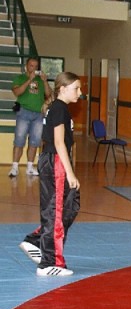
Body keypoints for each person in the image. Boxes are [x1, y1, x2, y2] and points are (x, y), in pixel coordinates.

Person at [18, 72, 83, 276]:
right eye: (76, 88)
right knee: (55, 211)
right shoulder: (59, 108)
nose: (80, 92)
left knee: (70, 206)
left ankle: (37, 241)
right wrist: (70, 173)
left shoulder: (59, 108)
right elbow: (58, 142)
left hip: (55, 160)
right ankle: (50, 262)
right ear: (62, 89)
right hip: (55, 161)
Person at [10, 58, 50, 178]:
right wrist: (29, 80)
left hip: (38, 114)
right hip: (23, 112)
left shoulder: (40, 80)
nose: (34, 68)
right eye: (31, 65)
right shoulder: (20, 78)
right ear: (27, 66)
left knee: (35, 141)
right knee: (19, 140)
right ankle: (14, 167)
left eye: (36, 66)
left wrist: (45, 81)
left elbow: (48, 94)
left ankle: (30, 167)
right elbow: (17, 92)